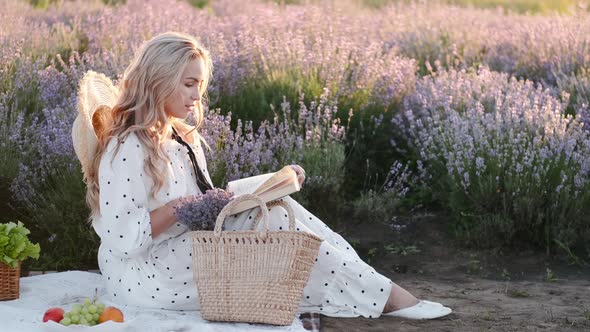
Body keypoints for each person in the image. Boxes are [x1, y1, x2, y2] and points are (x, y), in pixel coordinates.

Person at [78, 31, 452, 321]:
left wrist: (264, 185)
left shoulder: (180, 135)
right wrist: (182, 207)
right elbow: (125, 239)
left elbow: (204, 201)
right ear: (158, 79)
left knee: (276, 204)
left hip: (186, 249)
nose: (197, 96)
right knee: (271, 222)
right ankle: (384, 298)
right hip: (147, 273)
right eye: (189, 83)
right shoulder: (127, 146)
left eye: (200, 85)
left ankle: (377, 289)